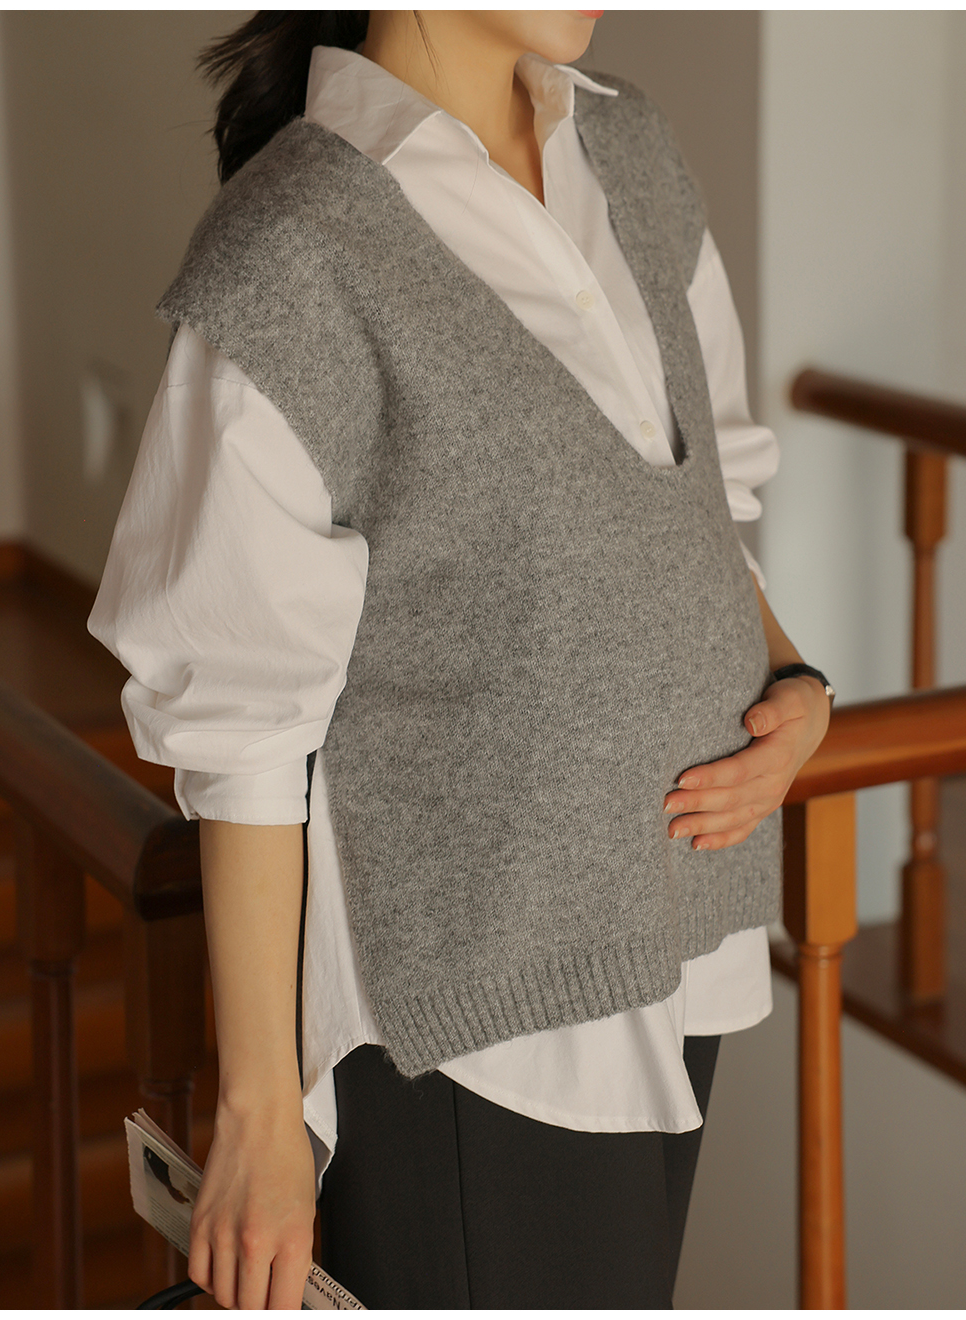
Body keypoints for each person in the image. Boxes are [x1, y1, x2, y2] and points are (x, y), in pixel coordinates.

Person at [89, 10, 832, 1310]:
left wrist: (797, 685)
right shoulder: (297, 244)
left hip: (677, 929)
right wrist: (262, 1108)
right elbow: (244, 715)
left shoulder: (628, 149)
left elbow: (707, 499)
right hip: (473, 1001)